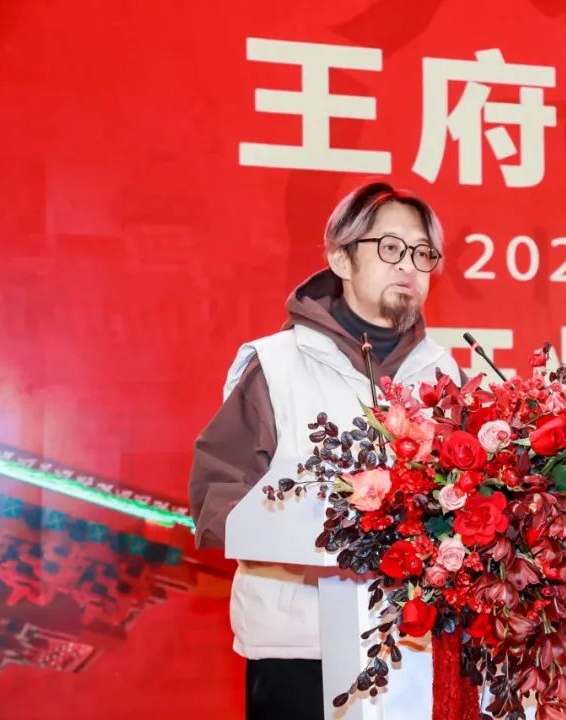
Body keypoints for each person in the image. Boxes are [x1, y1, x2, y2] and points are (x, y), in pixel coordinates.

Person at [188, 181, 461, 720]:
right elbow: (218, 498)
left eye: (422, 253)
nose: (408, 265)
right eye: (390, 247)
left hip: (414, 646)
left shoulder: (445, 372)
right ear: (340, 258)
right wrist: (328, 531)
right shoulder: (276, 364)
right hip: (298, 647)